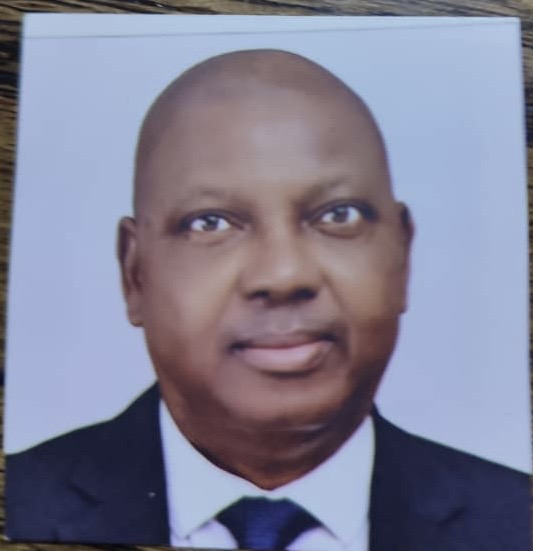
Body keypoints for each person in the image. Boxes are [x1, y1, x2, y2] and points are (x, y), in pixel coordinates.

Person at [5, 49, 530, 551]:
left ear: (402, 255)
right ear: (134, 273)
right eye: (210, 223)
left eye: (338, 215)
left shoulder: (518, 517)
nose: (283, 275)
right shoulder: (20, 499)